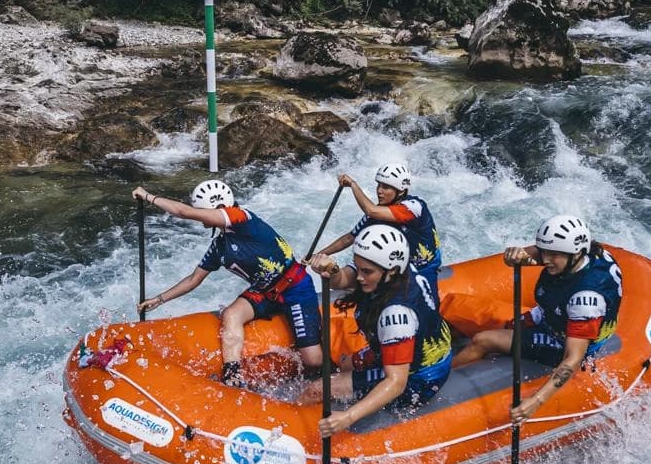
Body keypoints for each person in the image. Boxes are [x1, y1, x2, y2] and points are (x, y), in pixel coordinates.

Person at [132, 180, 323, 386]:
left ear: (220, 208)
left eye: (203, 211)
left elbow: (183, 212)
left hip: (294, 286)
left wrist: (148, 196)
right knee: (231, 314)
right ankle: (233, 376)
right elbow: (193, 279)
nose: (200, 216)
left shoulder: (242, 218)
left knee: (312, 359)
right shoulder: (219, 246)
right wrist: (158, 300)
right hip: (265, 291)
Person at [452, 214, 623, 424]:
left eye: (554, 255)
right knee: (484, 320)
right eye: (544, 252)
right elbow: (527, 255)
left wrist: (536, 401)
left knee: (483, 340)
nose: (546, 259)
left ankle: (445, 386)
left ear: (576, 254)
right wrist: (515, 254)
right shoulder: (590, 253)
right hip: (551, 314)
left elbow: (572, 359)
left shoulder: (585, 301)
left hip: (563, 339)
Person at [304, 225, 453, 437]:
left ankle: (298, 435)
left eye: (367, 272)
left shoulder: (396, 315)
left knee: (316, 390)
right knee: (346, 362)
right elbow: (343, 280)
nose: (360, 277)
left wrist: (348, 416)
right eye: (359, 268)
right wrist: (333, 271)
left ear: (390, 270)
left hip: (417, 378)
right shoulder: (400, 270)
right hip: (414, 352)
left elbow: (396, 383)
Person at [312, 163, 443, 298]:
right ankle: (333, 271)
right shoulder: (377, 213)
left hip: (422, 267)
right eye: (379, 185)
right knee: (338, 281)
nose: (379, 191)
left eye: (385, 187)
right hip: (389, 264)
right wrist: (318, 255)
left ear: (401, 191)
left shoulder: (414, 207)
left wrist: (353, 185)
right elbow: (349, 238)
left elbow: (371, 210)